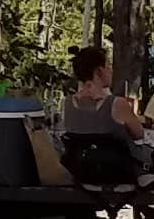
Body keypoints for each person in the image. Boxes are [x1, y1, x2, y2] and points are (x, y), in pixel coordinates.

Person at [59, 43, 145, 185]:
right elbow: (139, 135)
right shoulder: (117, 104)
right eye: (108, 66)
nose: (111, 70)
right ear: (99, 71)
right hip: (118, 175)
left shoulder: (66, 104)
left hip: (82, 174)